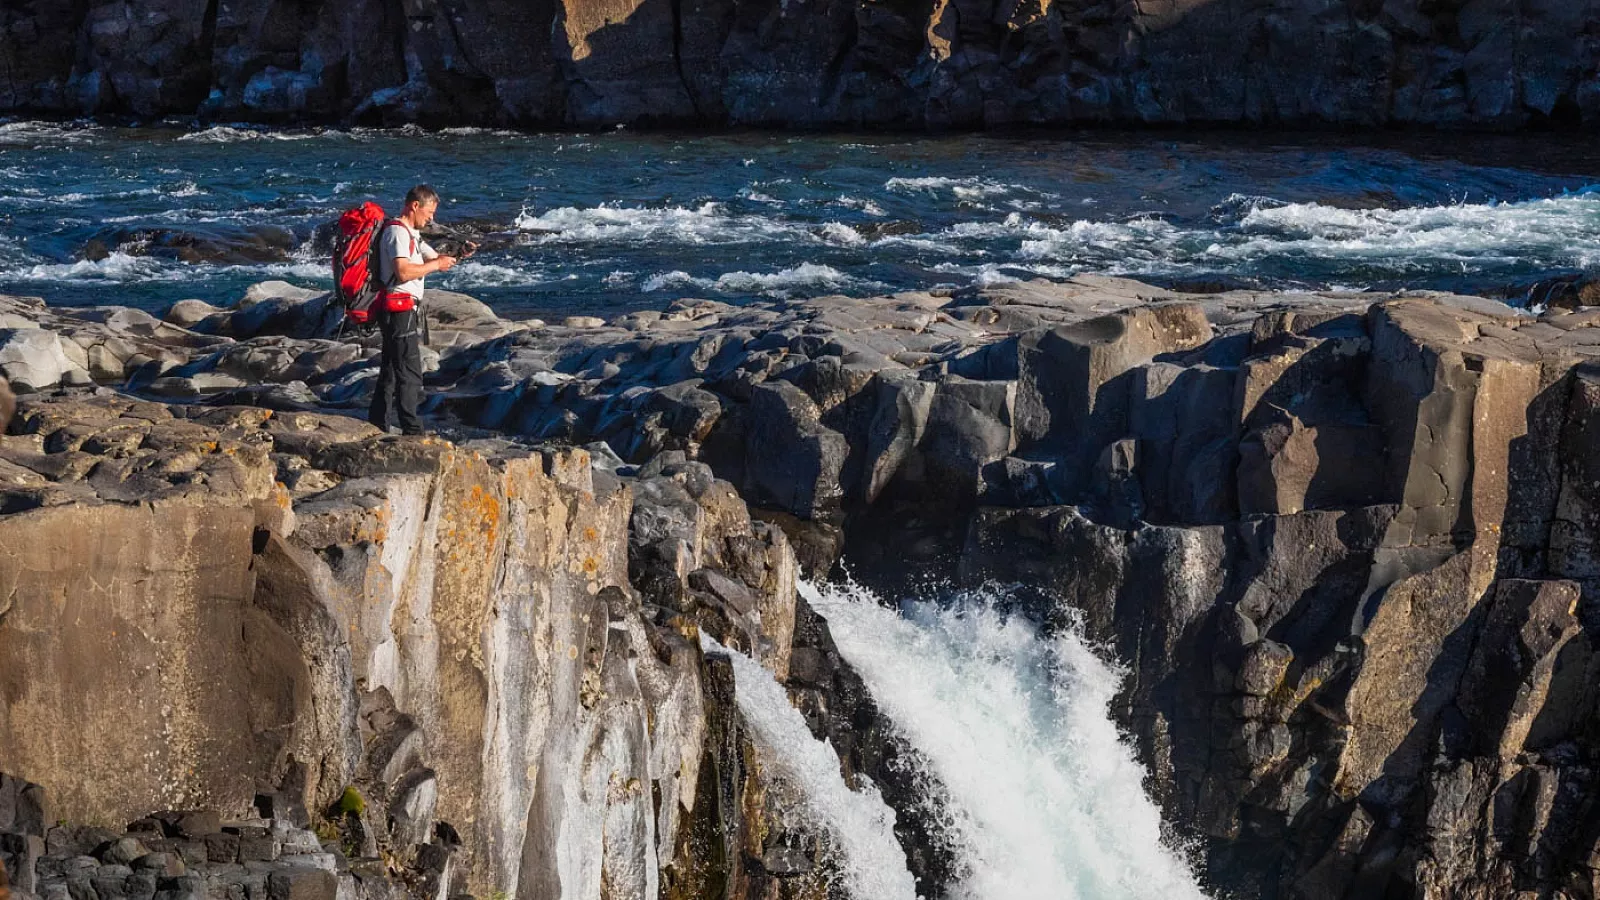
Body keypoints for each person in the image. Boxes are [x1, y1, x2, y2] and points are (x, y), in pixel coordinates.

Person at [369, 185, 458, 435]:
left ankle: (377, 422)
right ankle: (412, 428)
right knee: (409, 371)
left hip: (399, 308)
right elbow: (403, 271)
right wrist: (436, 265)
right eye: (429, 212)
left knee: (390, 368)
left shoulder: (411, 234)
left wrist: (454, 256)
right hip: (399, 308)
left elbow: (436, 260)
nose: (431, 218)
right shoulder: (398, 233)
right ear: (415, 206)